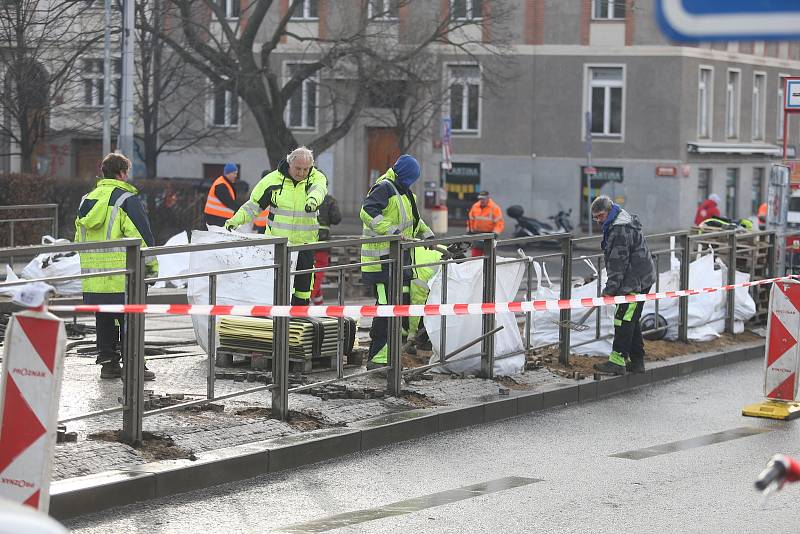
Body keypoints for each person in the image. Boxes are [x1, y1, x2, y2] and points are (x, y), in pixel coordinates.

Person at [74, 152, 158, 380]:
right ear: (122, 173)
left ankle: (109, 365)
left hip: (94, 278)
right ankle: (134, 366)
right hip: (124, 277)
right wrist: (151, 271)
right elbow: (142, 238)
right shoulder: (126, 200)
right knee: (130, 319)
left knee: (103, 319)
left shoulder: (86, 201)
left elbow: (78, 240)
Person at [225, 146, 327, 305]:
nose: (301, 173)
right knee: (278, 287)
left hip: (305, 245)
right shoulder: (272, 180)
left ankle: (298, 319)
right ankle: (279, 321)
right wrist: (235, 221)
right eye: (298, 168)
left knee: (303, 289)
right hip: (280, 246)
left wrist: (312, 200)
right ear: (289, 164)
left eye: (305, 169)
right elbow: (253, 206)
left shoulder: (316, 177)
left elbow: (318, 190)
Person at [360, 154, 434, 369]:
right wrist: (390, 231)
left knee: (395, 308)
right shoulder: (384, 187)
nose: (411, 183)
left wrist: (427, 234)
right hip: (381, 263)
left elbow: (415, 221)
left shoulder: (405, 193)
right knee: (385, 309)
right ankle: (378, 359)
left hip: (398, 261)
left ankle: (388, 356)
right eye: (410, 179)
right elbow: (367, 212)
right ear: (402, 175)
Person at [590, 195, 655, 376]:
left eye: (600, 216)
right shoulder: (619, 219)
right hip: (640, 277)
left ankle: (617, 362)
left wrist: (609, 291)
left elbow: (618, 264)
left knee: (623, 319)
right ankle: (637, 361)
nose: (598, 221)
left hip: (635, 281)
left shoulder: (620, 230)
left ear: (610, 210)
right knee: (630, 319)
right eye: (595, 217)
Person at [310, 194, 342, 305]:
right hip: (322, 242)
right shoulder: (329, 200)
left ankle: (319, 307)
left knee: (307, 272)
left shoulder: (305, 194)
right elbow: (336, 218)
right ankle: (307, 301)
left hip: (305, 240)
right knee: (317, 274)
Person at [467, 190, 505, 257]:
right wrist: (470, 230)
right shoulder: (475, 206)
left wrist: (495, 234)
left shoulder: (494, 208)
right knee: (475, 257)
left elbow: (499, 223)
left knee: (489, 257)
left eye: (483, 199)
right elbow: (470, 220)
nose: (481, 200)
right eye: (480, 198)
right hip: (477, 234)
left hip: (489, 235)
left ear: (488, 198)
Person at [203, 163, 241, 228]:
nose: (236, 176)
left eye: (236, 173)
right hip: (215, 218)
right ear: (228, 173)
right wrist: (240, 209)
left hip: (218, 218)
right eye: (234, 173)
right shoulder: (221, 185)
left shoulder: (225, 183)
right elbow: (228, 202)